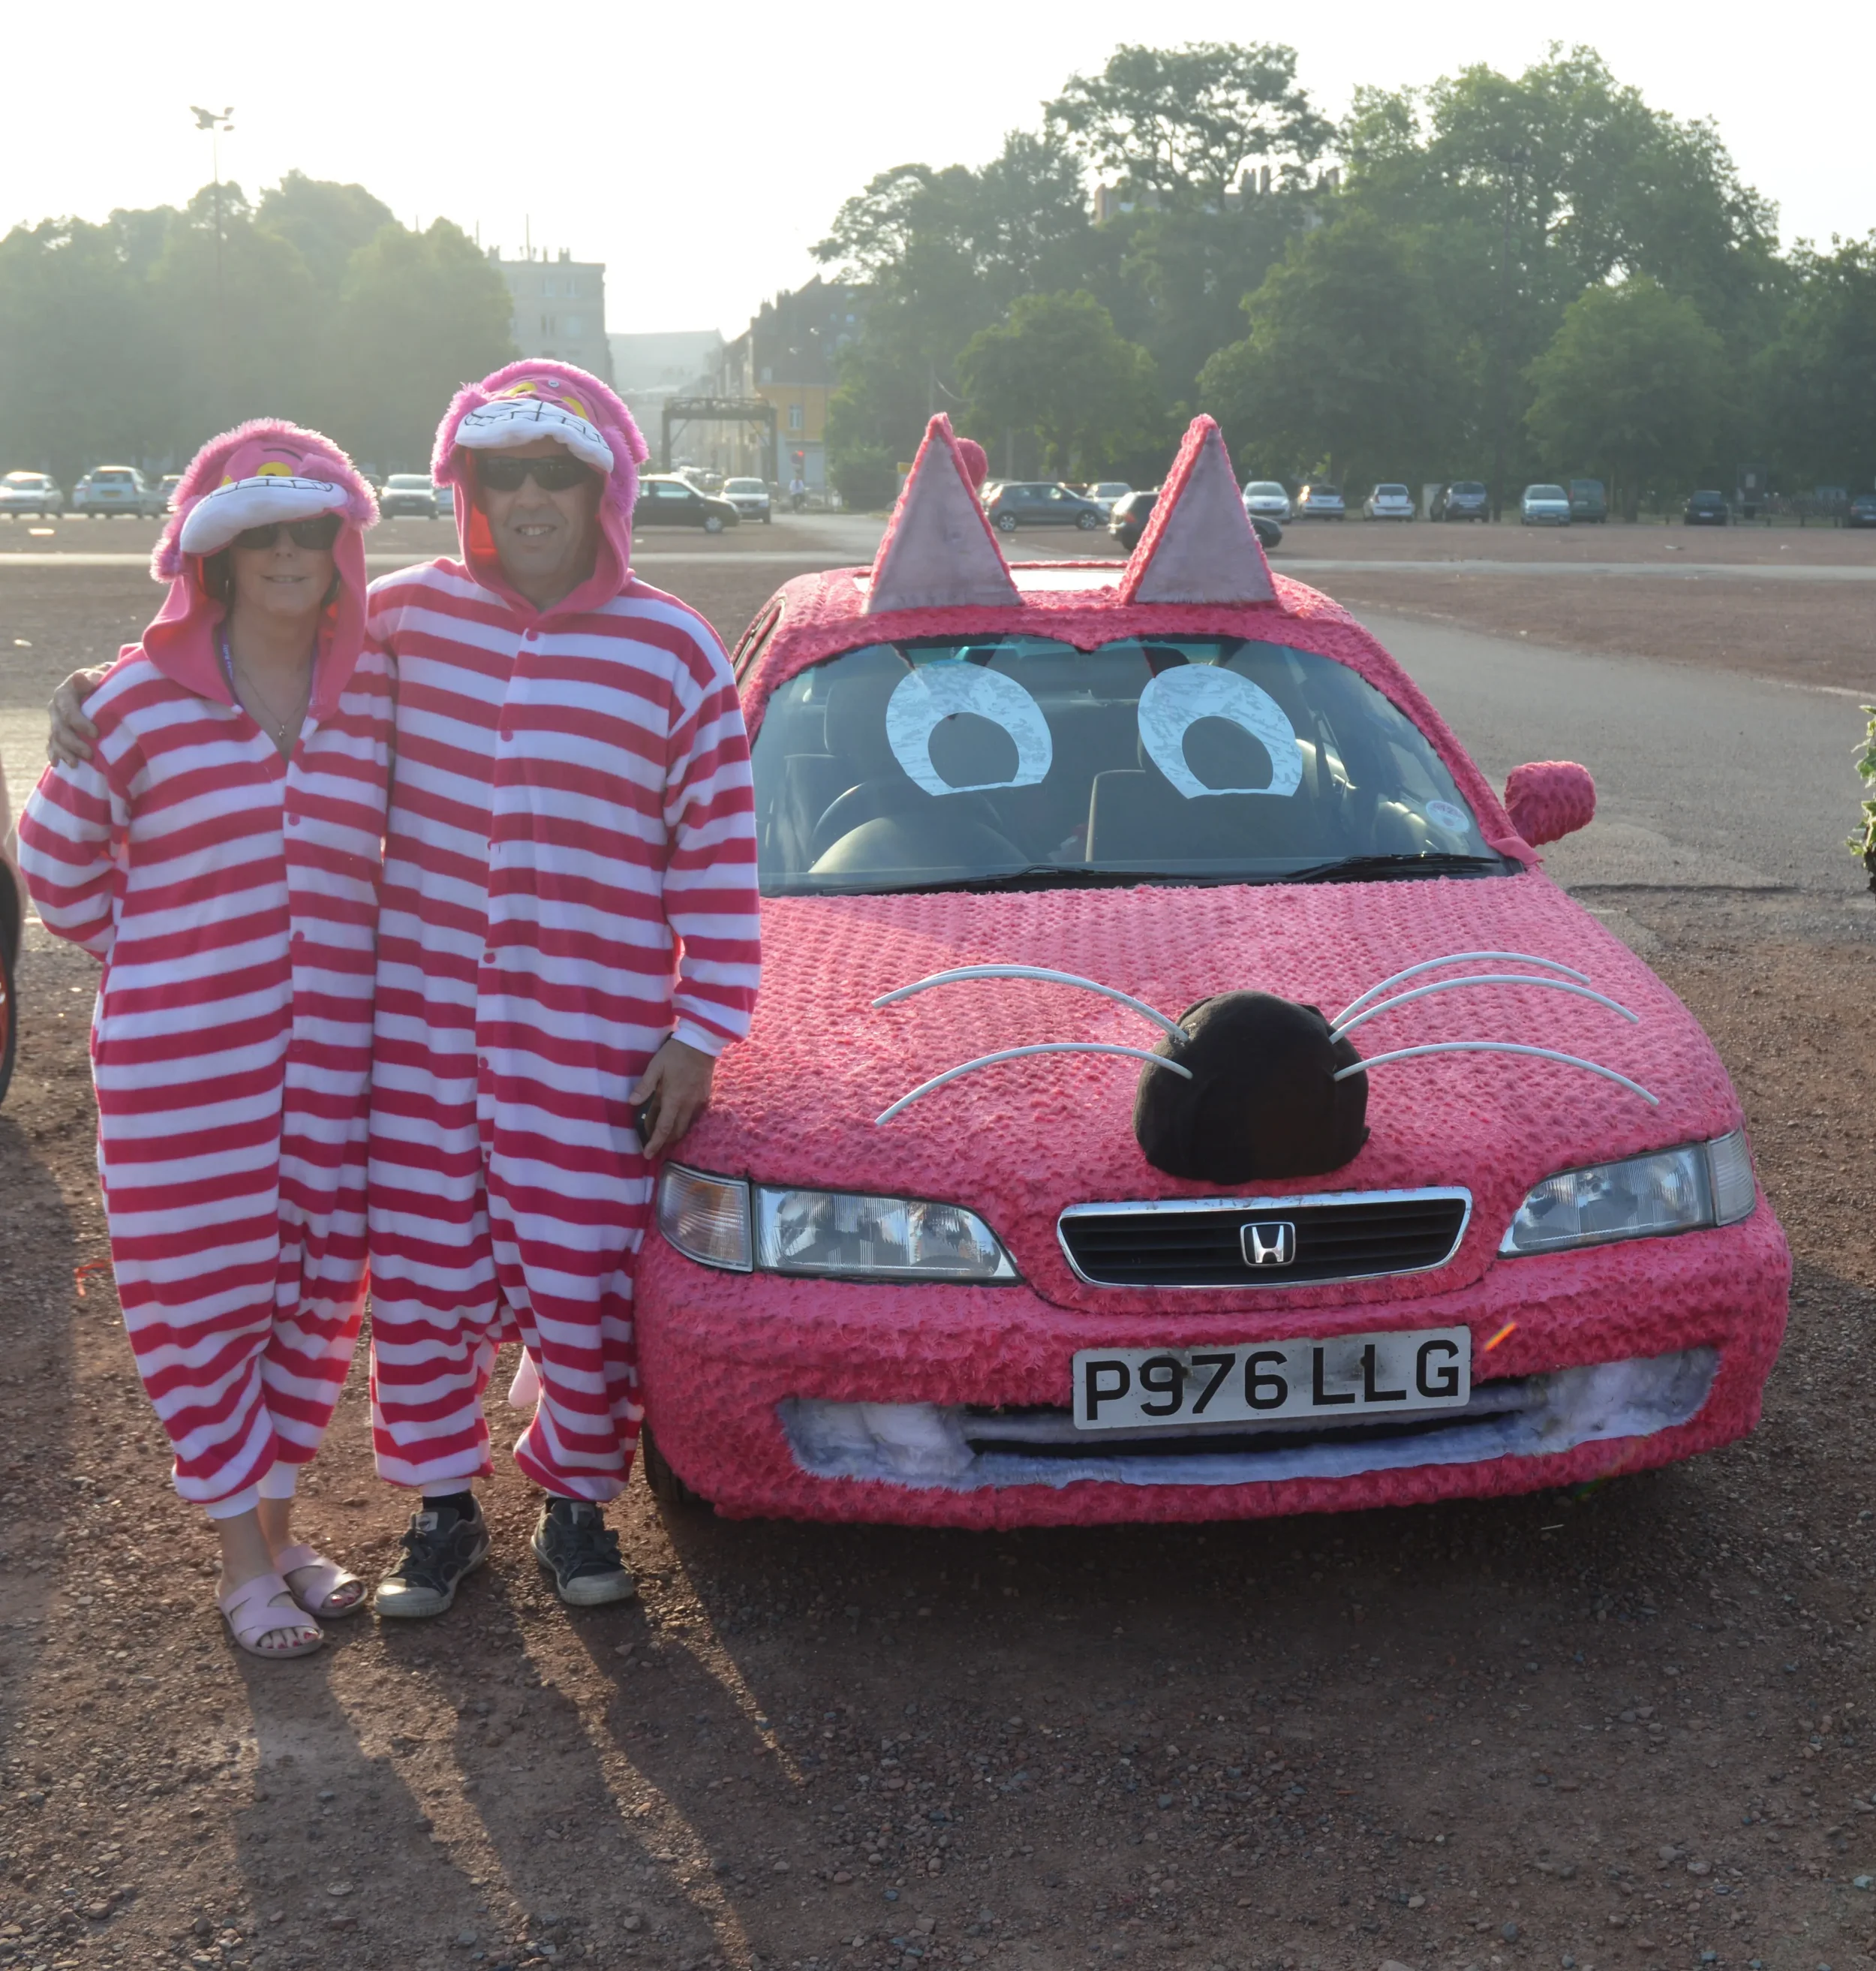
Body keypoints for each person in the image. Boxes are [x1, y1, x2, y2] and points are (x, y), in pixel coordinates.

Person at [47, 363, 759, 1621]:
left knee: (586, 1269)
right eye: (505, 473)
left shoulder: (673, 649)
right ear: (465, 484)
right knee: (425, 1271)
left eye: (559, 473)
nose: (532, 497)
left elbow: (717, 858)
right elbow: (251, 659)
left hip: (588, 1040)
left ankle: (578, 1502)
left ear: (607, 488)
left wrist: (699, 1033)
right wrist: (97, 709)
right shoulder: (402, 621)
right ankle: (441, 1510)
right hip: (411, 1037)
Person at [23, 422, 392, 1659]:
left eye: (309, 534)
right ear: (213, 563)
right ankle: (241, 1565)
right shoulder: (130, 702)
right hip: (181, 1072)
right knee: (199, 1306)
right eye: (258, 539)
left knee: (310, 1303)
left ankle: (280, 1534)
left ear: (341, 552)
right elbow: (58, 871)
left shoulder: (376, 693)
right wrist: (165, 953)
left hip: (335, 1063)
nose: (289, 555)